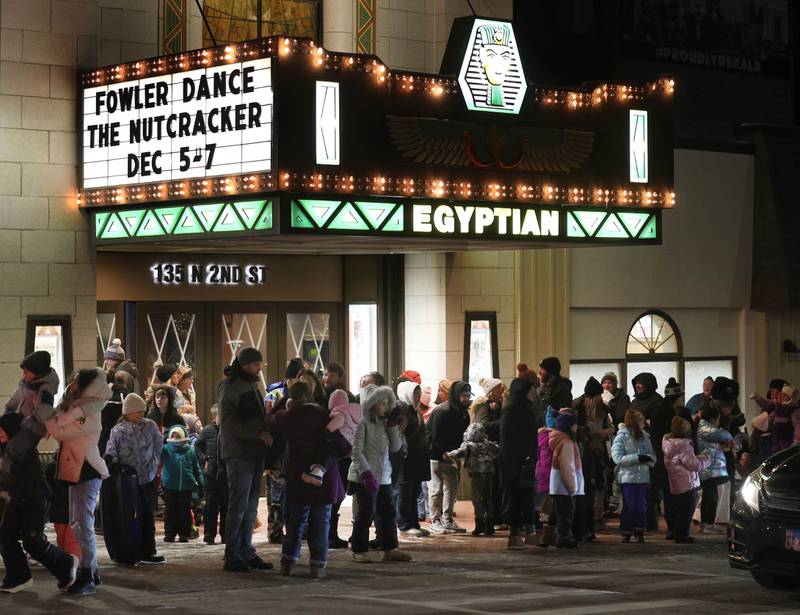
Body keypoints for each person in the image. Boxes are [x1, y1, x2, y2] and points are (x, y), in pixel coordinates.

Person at [268, 381, 351, 578]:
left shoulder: (288, 416)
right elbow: (342, 444)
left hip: (297, 474)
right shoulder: (324, 415)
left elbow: (270, 419)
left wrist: (281, 403)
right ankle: (318, 565)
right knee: (321, 520)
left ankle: (288, 561)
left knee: (295, 520)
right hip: (323, 477)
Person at [46, 367, 111, 596]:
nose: (71, 383)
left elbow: (63, 432)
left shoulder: (89, 410)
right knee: (77, 524)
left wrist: (49, 420)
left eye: (77, 381)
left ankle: (87, 574)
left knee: (83, 525)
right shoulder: (75, 407)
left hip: (87, 470)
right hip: (74, 470)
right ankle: (91, 571)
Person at [0, 412, 79, 594]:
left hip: (34, 500)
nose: (0, 433)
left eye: (2, 430)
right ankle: (20, 577)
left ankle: (66, 564)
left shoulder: (25, 450)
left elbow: (26, 480)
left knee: (32, 541)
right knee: (5, 536)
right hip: (16, 500)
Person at [218, 347, 274, 572]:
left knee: (250, 506)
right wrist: (258, 433)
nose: (259, 367)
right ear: (245, 365)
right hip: (239, 451)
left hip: (251, 451)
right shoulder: (232, 387)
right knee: (239, 504)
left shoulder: (249, 384)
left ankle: (245, 550)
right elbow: (229, 423)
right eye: (255, 363)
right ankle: (233, 553)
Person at [348, 384, 412, 563]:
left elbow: (396, 447)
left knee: (388, 512)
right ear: (371, 404)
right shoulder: (363, 423)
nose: (385, 407)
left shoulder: (385, 424)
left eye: (386, 403)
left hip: (384, 476)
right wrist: (366, 473)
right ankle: (359, 549)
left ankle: (390, 548)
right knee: (366, 512)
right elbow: (356, 451)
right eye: (381, 403)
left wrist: (392, 427)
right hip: (366, 477)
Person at [104, 393, 165, 563]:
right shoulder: (119, 430)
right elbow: (111, 449)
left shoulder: (150, 426)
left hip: (148, 476)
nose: (140, 414)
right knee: (129, 515)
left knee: (147, 513)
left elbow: (159, 443)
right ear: (127, 412)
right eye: (136, 411)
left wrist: (155, 461)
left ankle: (148, 550)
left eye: (142, 411)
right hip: (128, 479)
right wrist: (112, 462)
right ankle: (130, 548)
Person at [263, 357, 304, 545]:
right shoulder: (276, 394)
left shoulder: (303, 395)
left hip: (294, 450)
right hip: (278, 452)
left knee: (294, 493)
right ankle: (275, 530)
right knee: (277, 494)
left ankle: (294, 528)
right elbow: (268, 421)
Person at [497, 378, 539, 548]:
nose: (534, 393)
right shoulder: (512, 410)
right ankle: (515, 536)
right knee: (516, 498)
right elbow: (509, 438)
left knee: (527, 496)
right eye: (531, 390)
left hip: (525, 460)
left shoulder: (525, 409)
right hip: (515, 462)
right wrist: (523, 456)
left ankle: (530, 534)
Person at [648, 378, 693, 536]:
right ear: (677, 398)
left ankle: (674, 528)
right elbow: (655, 438)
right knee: (676, 495)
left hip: (669, 460)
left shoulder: (680, 412)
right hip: (670, 461)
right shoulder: (662, 413)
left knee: (672, 495)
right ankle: (675, 528)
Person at [426, 380, 472, 534]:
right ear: (456, 395)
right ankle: (435, 520)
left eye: (467, 395)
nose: (466, 399)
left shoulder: (463, 413)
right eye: (463, 395)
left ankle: (447, 519)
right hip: (436, 454)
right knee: (436, 489)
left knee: (451, 489)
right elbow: (433, 436)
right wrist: (444, 453)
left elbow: (463, 435)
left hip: (451, 455)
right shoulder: (442, 411)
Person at [573, 377, 614, 542]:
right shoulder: (577, 407)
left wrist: (602, 434)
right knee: (586, 493)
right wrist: (592, 434)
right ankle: (584, 528)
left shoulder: (603, 409)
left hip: (596, 454)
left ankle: (589, 526)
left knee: (593, 492)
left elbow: (611, 427)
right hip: (584, 455)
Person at [2, 351, 59, 466]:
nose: (24, 375)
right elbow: (16, 398)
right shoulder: (26, 383)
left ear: (37, 372)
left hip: (33, 429)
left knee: (14, 449)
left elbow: (45, 409)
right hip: (20, 423)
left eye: (27, 372)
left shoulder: (46, 388)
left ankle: (12, 475)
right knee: (7, 447)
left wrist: (32, 420)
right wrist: (8, 411)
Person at [663, 417, 711, 543]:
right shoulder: (684, 446)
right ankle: (682, 536)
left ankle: (675, 532)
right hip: (687, 483)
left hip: (675, 482)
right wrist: (706, 459)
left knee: (678, 510)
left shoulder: (668, 443)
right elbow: (693, 465)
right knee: (686, 511)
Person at [447, 423, 498, 538]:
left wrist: (447, 454)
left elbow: (458, 453)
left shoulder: (468, 445)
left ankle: (479, 525)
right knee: (488, 498)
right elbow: (497, 450)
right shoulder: (487, 444)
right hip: (488, 473)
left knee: (477, 499)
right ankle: (489, 526)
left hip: (477, 474)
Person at [611, 410, 655, 543]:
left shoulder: (645, 436)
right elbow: (617, 457)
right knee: (630, 505)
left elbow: (652, 453)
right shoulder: (622, 437)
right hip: (628, 477)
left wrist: (649, 459)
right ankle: (627, 530)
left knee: (641, 504)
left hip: (642, 476)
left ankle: (639, 530)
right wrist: (637, 458)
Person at [395, 380, 431, 537]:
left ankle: (414, 523)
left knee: (415, 492)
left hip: (417, 460)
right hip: (407, 460)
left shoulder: (416, 411)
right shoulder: (403, 412)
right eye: (415, 393)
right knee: (405, 493)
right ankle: (404, 525)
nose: (418, 396)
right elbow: (401, 435)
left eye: (419, 393)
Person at [160, 425, 204, 543]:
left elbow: (196, 468)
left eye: (178, 435)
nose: (175, 437)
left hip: (186, 486)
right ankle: (170, 533)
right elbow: (157, 457)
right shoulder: (166, 449)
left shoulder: (190, 450)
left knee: (184, 512)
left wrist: (201, 483)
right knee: (170, 511)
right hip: (170, 486)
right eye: (173, 435)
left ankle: (184, 534)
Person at [697, 404, 735, 533]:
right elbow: (721, 434)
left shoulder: (704, 428)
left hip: (711, 468)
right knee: (709, 497)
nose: (718, 422)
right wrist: (734, 440)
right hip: (709, 469)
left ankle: (708, 523)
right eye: (717, 419)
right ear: (713, 419)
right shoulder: (705, 429)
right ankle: (707, 523)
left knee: (711, 496)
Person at [549, 411, 582, 549]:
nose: (577, 427)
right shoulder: (567, 442)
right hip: (565, 486)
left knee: (560, 512)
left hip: (557, 484)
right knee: (566, 514)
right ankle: (564, 538)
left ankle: (560, 536)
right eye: (574, 424)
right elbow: (567, 466)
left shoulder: (559, 440)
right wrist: (572, 487)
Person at [196, 404, 227, 545]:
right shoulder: (207, 431)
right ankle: (209, 534)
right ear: (214, 417)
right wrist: (205, 459)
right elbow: (198, 447)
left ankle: (226, 534)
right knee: (211, 507)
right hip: (211, 474)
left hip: (226, 474)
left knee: (226, 505)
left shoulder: (229, 431)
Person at [535, 407, 558, 547]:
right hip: (547, 476)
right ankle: (546, 534)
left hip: (541, 474)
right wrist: (552, 475)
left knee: (539, 505)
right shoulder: (549, 438)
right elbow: (546, 459)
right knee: (545, 506)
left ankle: (539, 530)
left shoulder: (543, 436)